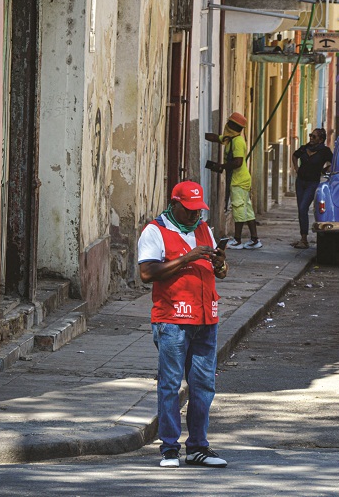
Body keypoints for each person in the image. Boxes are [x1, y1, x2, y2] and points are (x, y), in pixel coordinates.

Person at [137, 181, 228, 468]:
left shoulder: (204, 229)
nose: (194, 216)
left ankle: (198, 446)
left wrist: (220, 263)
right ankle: (169, 448)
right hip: (173, 321)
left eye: (197, 210)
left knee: (203, 385)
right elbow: (147, 272)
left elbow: (222, 272)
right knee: (170, 385)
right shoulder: (155, 231)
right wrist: (187, 257)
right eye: (188, 210)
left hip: (206, 319)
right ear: (174, 204)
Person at [205, 112, 262, 249]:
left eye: (228, 123)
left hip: (239, 181)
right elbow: (218, 138)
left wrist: (221, 166)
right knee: (247, 210)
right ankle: (254, 240)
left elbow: (238, 162)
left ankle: (237, 240)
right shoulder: (231, 138)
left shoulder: (237, 141)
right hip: (241, 180)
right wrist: (204, 135)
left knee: (238, 210)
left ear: (231, 126)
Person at [291, 128, 333, 249]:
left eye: (314, 137)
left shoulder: (325, 151)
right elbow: (295, 155)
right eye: (310, 135)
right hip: (300, 182)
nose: (311, 138)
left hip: (312, 183)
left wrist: (325, 170)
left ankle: (304, 240)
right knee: (300, 209)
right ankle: (303, 238)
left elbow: (333, 162)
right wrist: (296, 168)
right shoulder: (305, 148)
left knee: (304, 207)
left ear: (320, 139)